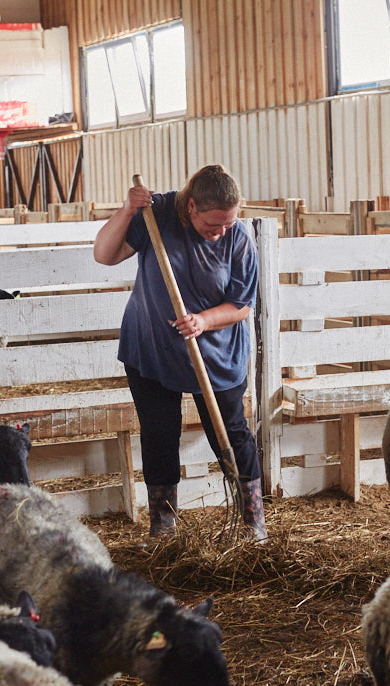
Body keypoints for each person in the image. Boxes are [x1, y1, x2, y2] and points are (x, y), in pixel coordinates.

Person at [92, 164, 266, 543]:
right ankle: (163, 530)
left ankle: (253, 524)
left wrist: (203, 320)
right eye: (213, 224)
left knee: (232, 433)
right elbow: (104, 255)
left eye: (229, 223)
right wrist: (126, 211)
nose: (221, 232)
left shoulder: (238, 238)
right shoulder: (158, 214)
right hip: (152, 346)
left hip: (216, 352)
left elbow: (240, 305)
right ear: (191, 208)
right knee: (158, 434)